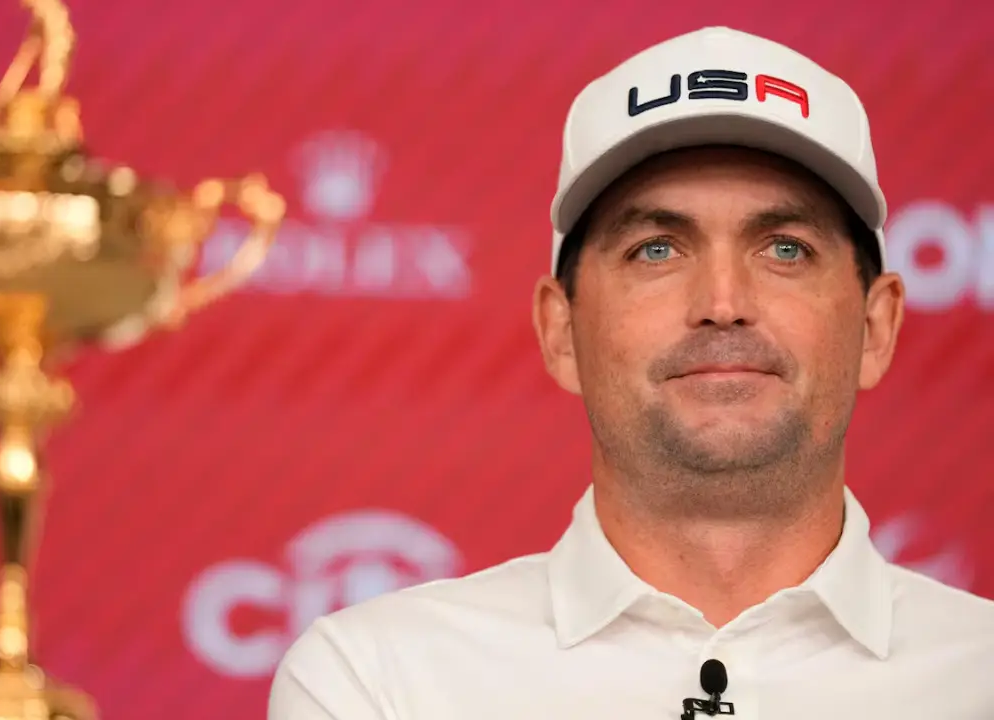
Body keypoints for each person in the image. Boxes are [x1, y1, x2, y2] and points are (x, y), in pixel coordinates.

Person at [266, 26, 994, 719]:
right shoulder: (382, 682)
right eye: (656, 250)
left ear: (876, 327)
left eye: (784, 249)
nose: (722, 304)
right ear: (560, 331)